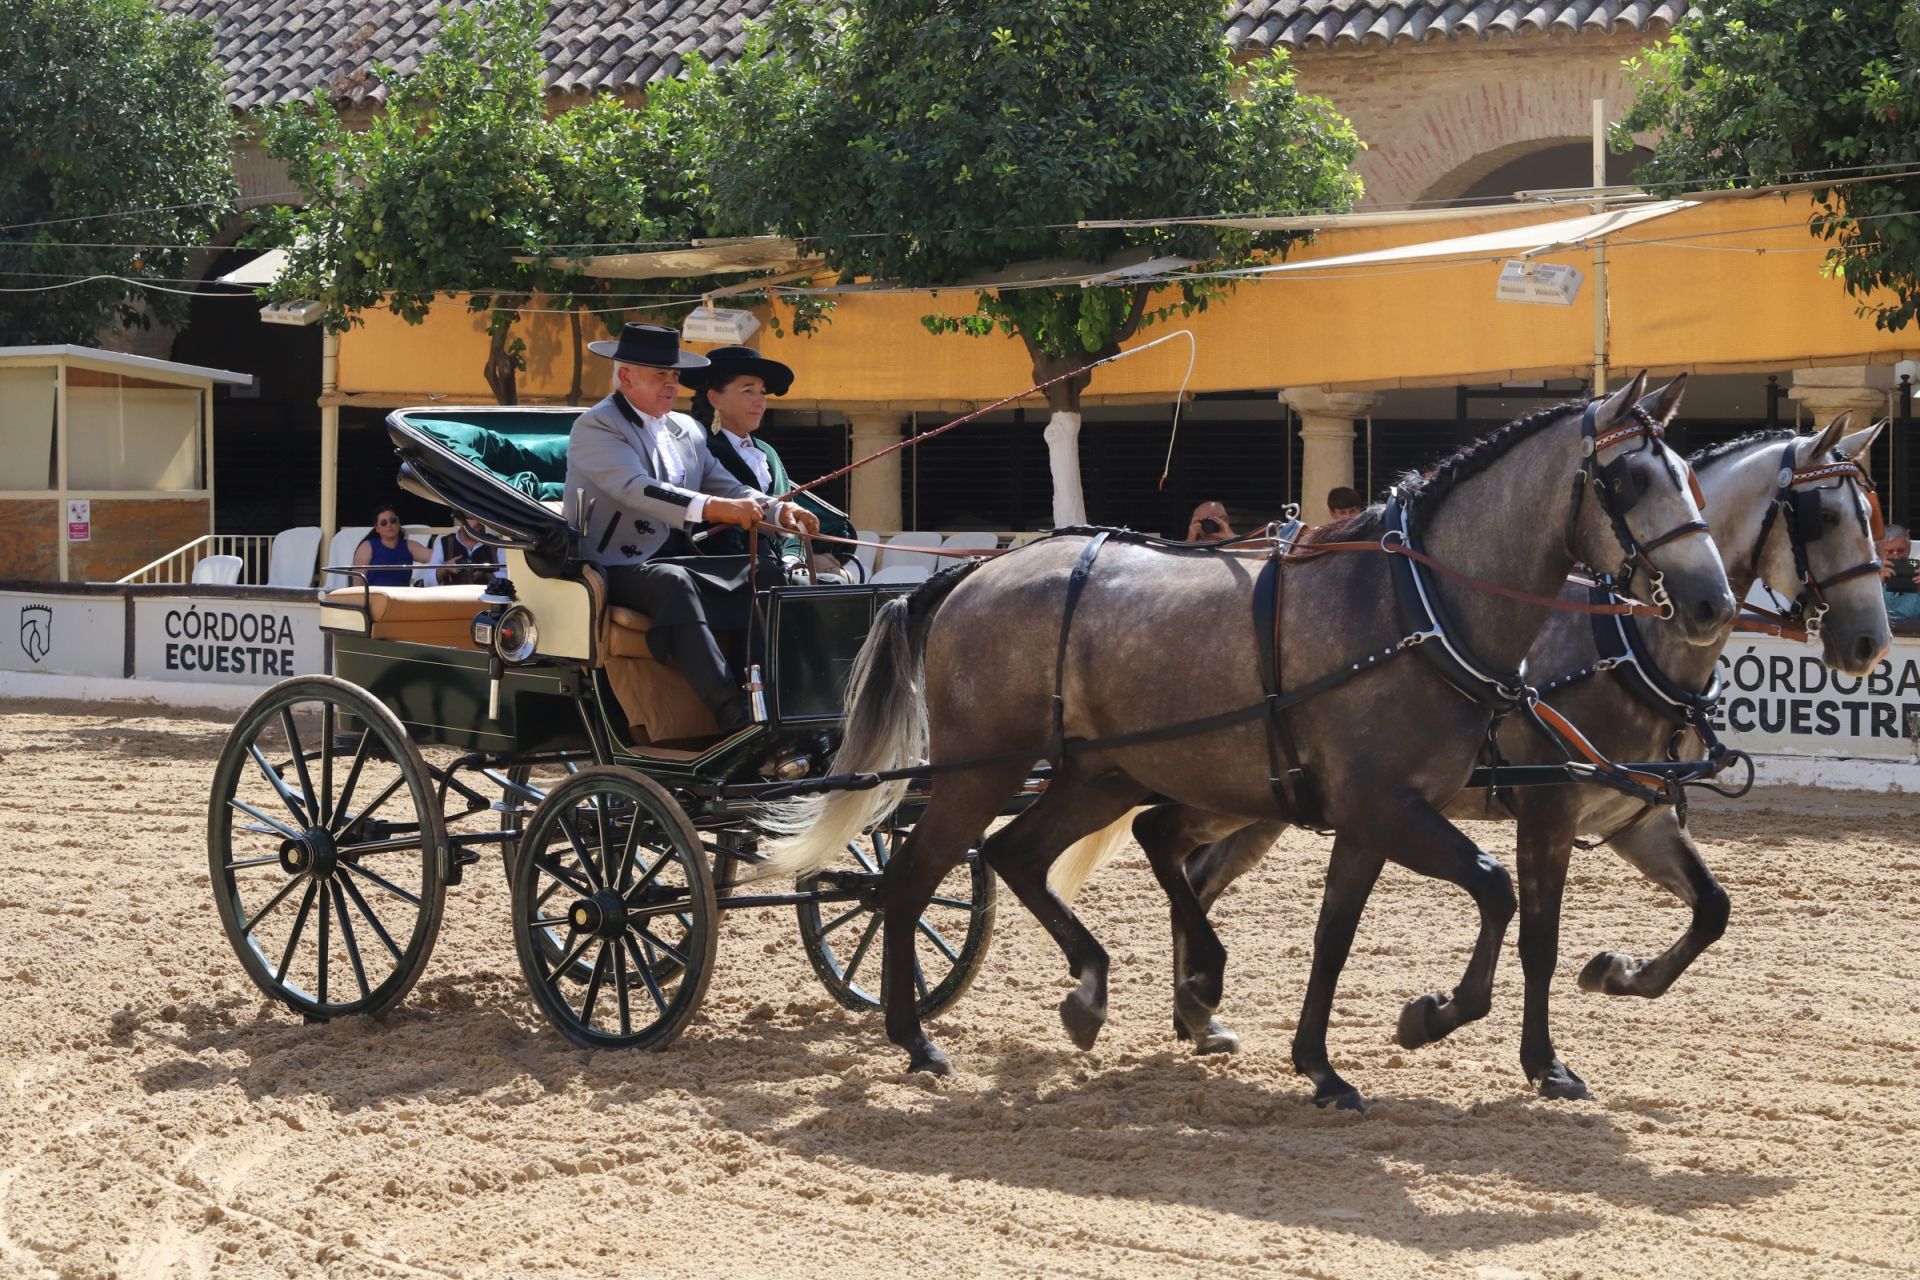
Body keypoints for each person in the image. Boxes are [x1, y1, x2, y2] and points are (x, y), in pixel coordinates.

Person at [564, 322, 817, 734]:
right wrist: (718, 508)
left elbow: (728, 484)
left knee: (766, 571)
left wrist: (777, 511)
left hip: (680, 555)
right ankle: (727, 708)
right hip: (615, 564)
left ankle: (762, 693)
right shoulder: (598, 426)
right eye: (659, 374)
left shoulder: (688, 429)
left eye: (675, 375)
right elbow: (637, 489)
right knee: (672, 581)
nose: (671, 384)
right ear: (625, 376)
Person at [684, 344, 859, 580]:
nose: (760, 402)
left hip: (778, 563)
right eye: (748, 391)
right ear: (715, 398)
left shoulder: (767, 452)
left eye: (762, 392)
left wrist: (792, 557)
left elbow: (787, 518)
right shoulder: (699, 447)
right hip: (724, 565)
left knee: (836, 582)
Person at [352, 504, 430, 586]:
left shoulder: (409, 546)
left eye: (392, 520)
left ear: (398, 523)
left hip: (401, 597)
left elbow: (435, 557)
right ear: (377, 528)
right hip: (374, 597)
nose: (389, 525)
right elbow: (357, 583)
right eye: (383, 523)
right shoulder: (367, 547)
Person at [428, 513, 499, 586]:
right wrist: (444, 569)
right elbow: (427, 582)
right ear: (461, 520)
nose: (478, 522)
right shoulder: (444, 542)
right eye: (472, 517)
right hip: (454, 596)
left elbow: (508, 577)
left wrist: (485, 575)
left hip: (487, 596)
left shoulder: (496, 543)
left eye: (481, 518)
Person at [1881, 524, 1920, 621]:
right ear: (1878, 552)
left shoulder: (1917, 571)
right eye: (1890, 551)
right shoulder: (1867, 575)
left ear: (1909, 549)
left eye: (1901, 550)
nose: (1896, 556)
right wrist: (1876, 585)